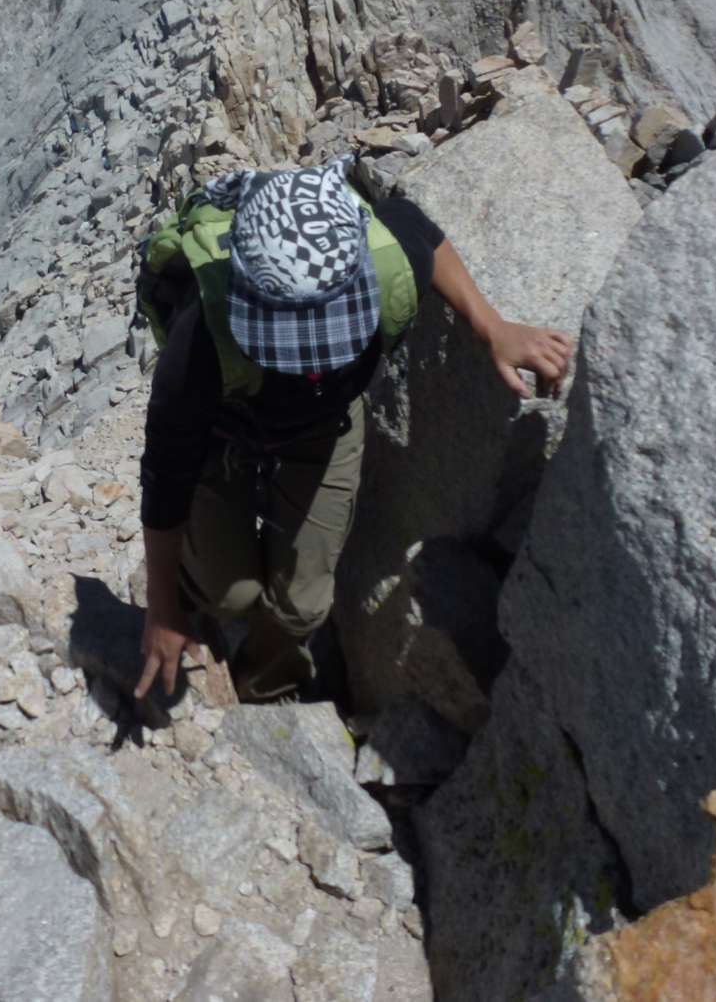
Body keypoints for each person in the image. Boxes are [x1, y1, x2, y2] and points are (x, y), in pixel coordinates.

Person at [134, 156, 572, 705]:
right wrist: (162, 609)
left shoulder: (385, 264)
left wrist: (493, 327)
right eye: (292, 343)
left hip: (324, 430)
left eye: (326, 339)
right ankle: (198, 584)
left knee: (302, 608)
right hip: (221, 435)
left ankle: (266, 692)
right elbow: (165, 474)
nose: (312, 362)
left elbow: (418, 228)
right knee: (230, 595)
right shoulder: (201, 335)